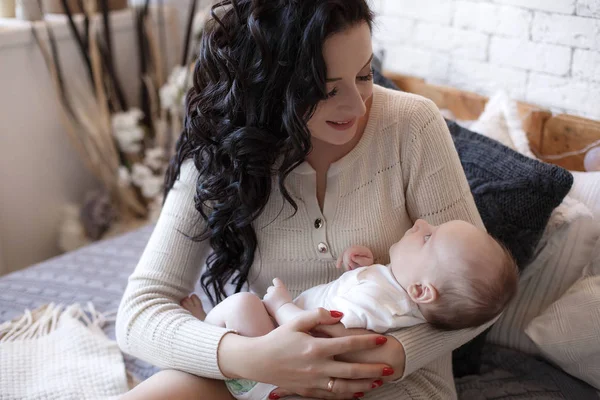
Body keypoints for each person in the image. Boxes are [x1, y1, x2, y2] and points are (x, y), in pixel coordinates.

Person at [116, 0, 499, 399]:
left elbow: (482, 295)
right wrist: (251, 356)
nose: (356, 104)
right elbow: (139, 313)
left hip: (386, 384)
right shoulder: (222, 146)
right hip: (264, 372)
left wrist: (385, 356)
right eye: (326, 89)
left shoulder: (412, 125)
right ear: (265, 82)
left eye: (364, 74)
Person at [175, 219, 518, 400]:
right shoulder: (393, 294)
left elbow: (322, 337)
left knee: (244, 304)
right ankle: (211, 343)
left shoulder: (378, 300)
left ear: (422, 291)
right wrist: (359, 269)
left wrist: (282, 306)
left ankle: (205, 336)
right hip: (278, 363)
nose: (422, 224)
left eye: (428, 238)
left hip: (276, 368)